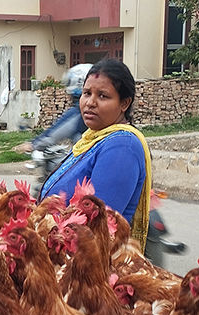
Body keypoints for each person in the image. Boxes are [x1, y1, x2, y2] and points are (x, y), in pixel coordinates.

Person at [38, 58, 153, 245]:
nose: (90, 103)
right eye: (87, 93)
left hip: (83, 257)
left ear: (124, 103)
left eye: (103, 96)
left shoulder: (122, 146)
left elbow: (95, 227)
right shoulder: (92, 139)